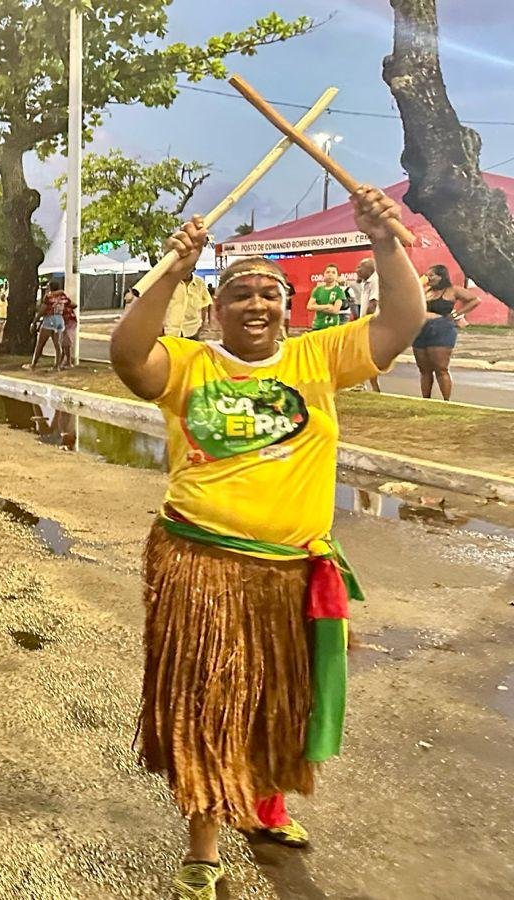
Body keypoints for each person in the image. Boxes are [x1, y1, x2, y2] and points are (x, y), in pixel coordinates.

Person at [107, 187, 424, 900]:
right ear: (216, 309)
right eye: (240, 294)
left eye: (269, 295)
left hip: (290, 571)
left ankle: (263, 806)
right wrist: (172, 271)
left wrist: (384, 239)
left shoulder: (319, 359)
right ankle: (203, 846)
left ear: (289, 308)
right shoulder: (190, 366)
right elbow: (128, 356)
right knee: (208, 705)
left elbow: (404, 322)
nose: (255, 305)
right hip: (203, 566)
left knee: (279, 701)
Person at [413, 263, 480, 401]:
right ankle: (425, 399)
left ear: (441, 276)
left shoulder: (452, 290)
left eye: (431, 275)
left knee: (440, 368)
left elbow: (474, 300)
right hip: (420, 330)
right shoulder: (426, 290)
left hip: (441, 329)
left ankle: (446, 401)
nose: (428, 278)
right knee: (424, 370)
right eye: (427, 275)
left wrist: (456, 314)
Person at [351, 258, 382, 391]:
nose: (356, 270)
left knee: (364, 356)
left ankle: (368, 386)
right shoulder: (367, 282)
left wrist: (365, 324)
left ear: (370, 269)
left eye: (360, 267)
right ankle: (367, 386)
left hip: (371, 325)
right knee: (364, 356)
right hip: (369, 324)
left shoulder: (375, 281)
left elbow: (373, 304)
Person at [27, 280, 70, 370]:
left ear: (50, 287)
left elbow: (42, 310)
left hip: (50, 319)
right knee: (57, 344)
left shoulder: (48, 296)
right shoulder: (62, 296)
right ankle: (57, 366)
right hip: (59, 319)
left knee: (40, 343)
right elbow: (70, 304)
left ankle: (33, 365)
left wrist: (35, 321)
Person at [164, 266, 213, 340]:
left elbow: (206, 304)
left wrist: (204, 323)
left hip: (193, 330)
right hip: (171, 331)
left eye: (188, 270)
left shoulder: (199, 283)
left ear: (193, 270)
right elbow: (160, 306)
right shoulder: (170, 283)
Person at [308, 264, 346, 331]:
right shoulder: (317, 290)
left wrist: (317, 307)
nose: (330, 274)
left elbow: (335, 311)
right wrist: (327, 306)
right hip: (317, 326)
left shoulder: (339, 291)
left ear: (337, 276)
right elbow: (309, 306)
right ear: (324, 274)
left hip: (332, 328)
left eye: (333, 272)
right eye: (328, 272)